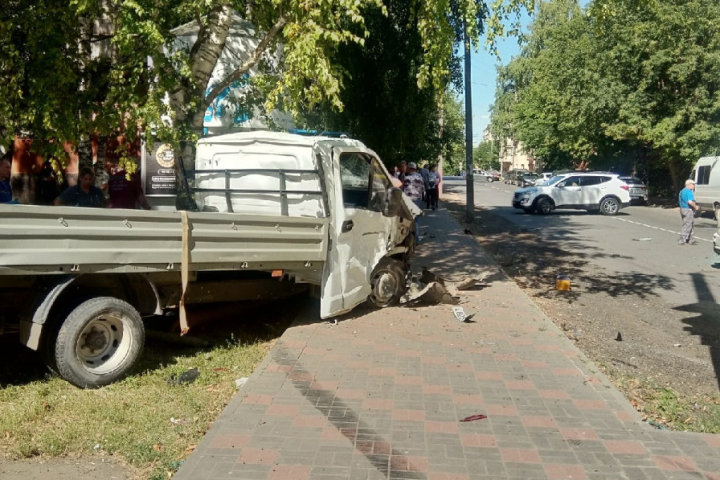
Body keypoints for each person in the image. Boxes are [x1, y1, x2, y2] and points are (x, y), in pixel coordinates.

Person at [678, 178, 699, 245]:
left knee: (689, 224)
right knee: (688, 224)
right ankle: (682, 239)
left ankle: (690, 239)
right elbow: (690, 202)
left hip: (682, 209)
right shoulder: (689, 192)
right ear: (689, 184)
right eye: (693, 184)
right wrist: (695, 207)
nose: (694, 186)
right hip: (688, 209)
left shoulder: (682, 191)